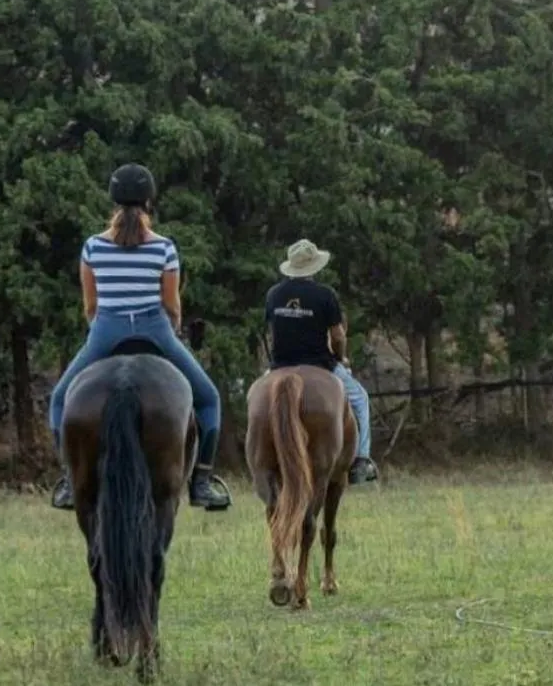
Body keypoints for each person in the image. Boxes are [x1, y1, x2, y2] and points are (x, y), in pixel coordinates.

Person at [48, 164, 230, 512]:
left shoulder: (92, 247)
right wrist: (171, 329)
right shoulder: (164, 247)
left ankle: (70, 484)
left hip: (106, 331)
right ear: (149, 201)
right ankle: (202, 483)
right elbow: (172, 304)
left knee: (59, 401)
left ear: (113, 200)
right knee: (208, 399)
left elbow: (90, 304)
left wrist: (102, 330)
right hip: (155, 330)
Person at [264, 239, 379, 484]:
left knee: (255, 399)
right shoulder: (325, 295)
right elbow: (337, 336)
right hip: (319, 363)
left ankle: (259, 455)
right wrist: (340, 357)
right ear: (314, 266)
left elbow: (272, 333)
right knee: (360, 399)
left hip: (280, 365)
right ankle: (361, 460)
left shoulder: (273, 294)